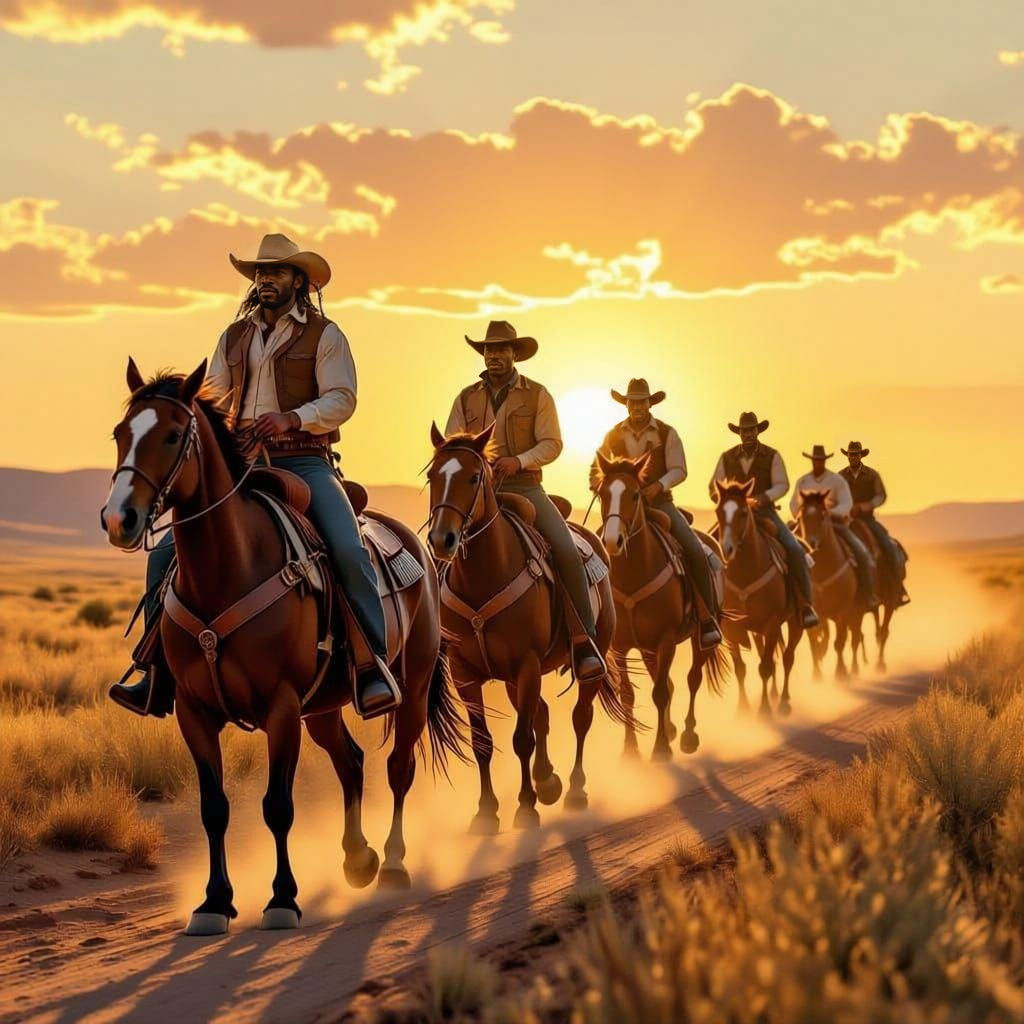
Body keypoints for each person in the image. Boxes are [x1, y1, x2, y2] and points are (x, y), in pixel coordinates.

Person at [109, 233, 401, 719]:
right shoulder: (234, 336)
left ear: (298, 281)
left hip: (304, 460)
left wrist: (294, 417)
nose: (266, 280)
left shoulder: (326, 335)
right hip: (241, 464)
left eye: (277, 272)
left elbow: (343, 399)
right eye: (261, 273)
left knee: (348, 548)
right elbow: (216, 395)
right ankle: (153, 672)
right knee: (164, 553)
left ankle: (372, 666)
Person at [444, 320, 606, 681]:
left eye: (501, 350)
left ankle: (583, 642)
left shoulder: (537, 395)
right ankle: (439, 641)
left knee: (565, 549)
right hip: (478, 490)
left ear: (515, 354)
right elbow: (455, 443)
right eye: (488, 349)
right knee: (442, 551)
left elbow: (553, 443)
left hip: (526, 487)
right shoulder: (466, 397)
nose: (494, 356)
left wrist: (519, 460)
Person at [589, 378, 721, 649]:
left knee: (695, 550)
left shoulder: (666, 432)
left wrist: (658, 486)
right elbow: (596, 468)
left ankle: (707, 619)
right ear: (626, 404)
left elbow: (679, 469)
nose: (637, 406)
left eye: (641, 401)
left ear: (650, 403)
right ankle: (590, 625)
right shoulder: (612, 434)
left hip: (659, 502)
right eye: (632, 401)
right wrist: (602, 487)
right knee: (592, 554)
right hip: (622, 505)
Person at [709, 411, 820, 629]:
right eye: (744, 430)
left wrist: (761, 498)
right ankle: (709, 610)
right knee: (707, 549)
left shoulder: (771, 455)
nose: (747, 434)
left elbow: (782, 484)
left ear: (757, 431)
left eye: (751, 430)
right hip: (733, 514)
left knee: (795, 549)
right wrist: (721, 498)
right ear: (739, 433)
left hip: (764, 512)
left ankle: (805, 606)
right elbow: (714, 483)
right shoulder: (727, 457)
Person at [790, 444, 879, 608]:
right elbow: (794, 504)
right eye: (815, 460)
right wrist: (801, 518)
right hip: (807, 525)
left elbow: (846, 503)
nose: (818, 463)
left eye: (820, 460)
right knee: (787, 551)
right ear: (812, 461)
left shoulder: (837, 480)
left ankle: (868, 594)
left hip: (834, 524)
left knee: (860, 550)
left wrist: (829, 514)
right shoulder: (803, 481)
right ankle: (791, 600)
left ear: (824, 461)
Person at [839, 441, 910, 605]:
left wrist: (866, 505)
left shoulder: (872, 475)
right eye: (851, 454)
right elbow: (834, 496)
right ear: (847, 456)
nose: (853, 457)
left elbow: (880, 496)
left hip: (867, 519)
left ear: (861, 456)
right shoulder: (841, 476)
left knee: (889, 545)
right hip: (846, 520)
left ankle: (897, 587)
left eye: (856, 454)